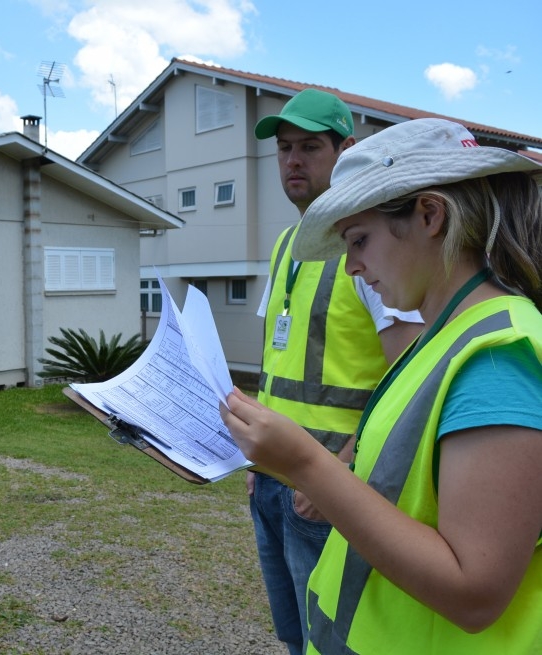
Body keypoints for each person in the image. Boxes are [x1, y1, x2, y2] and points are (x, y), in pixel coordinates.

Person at [222, 117, 542, 654]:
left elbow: (474, 593)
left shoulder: (495, 361)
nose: (350, 266)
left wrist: (309, 466)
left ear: (430, 215)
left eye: (359, 240)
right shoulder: (441, 335)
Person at [249, 89, 422, 655]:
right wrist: (257, 465)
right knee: (295, 637)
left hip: (327, 491)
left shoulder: (372, 247)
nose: (293, 161)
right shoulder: (283, 247)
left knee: (333, 641)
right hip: (273, 483)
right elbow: (275, 363)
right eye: (284, 149)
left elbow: (413, 371)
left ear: (345, 151)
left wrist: (340, 475)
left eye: (309, 147)